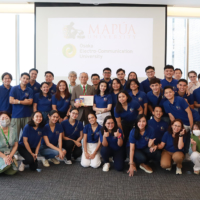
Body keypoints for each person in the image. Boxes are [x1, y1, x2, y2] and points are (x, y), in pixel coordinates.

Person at [163, 86, 200, 158]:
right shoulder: (165, 104)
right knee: (181, 135)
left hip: (194, 119)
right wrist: (173, 127)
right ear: (164, 95)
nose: (168, 94)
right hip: (183, 123)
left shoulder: (180, 100)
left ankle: (196, 154)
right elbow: (171, 117)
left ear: (173, 92)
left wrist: (192, 127)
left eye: (170, 92)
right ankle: (185, 153)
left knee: (195, 135)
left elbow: (189, 113)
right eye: (166, 93)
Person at [9, 72, 33, 138]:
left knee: (27, 135)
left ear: (28, 81)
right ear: (20, 78)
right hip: (16, 115)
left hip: (27, 115)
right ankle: (15, 148)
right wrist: (23, 101)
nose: (25, 80)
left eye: (27, 79)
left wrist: (17, 101)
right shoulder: (14, 88)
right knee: (14, 136)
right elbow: (11, 101)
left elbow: (30, 102)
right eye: (24, 78)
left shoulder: (30, 90)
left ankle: (25, 148)